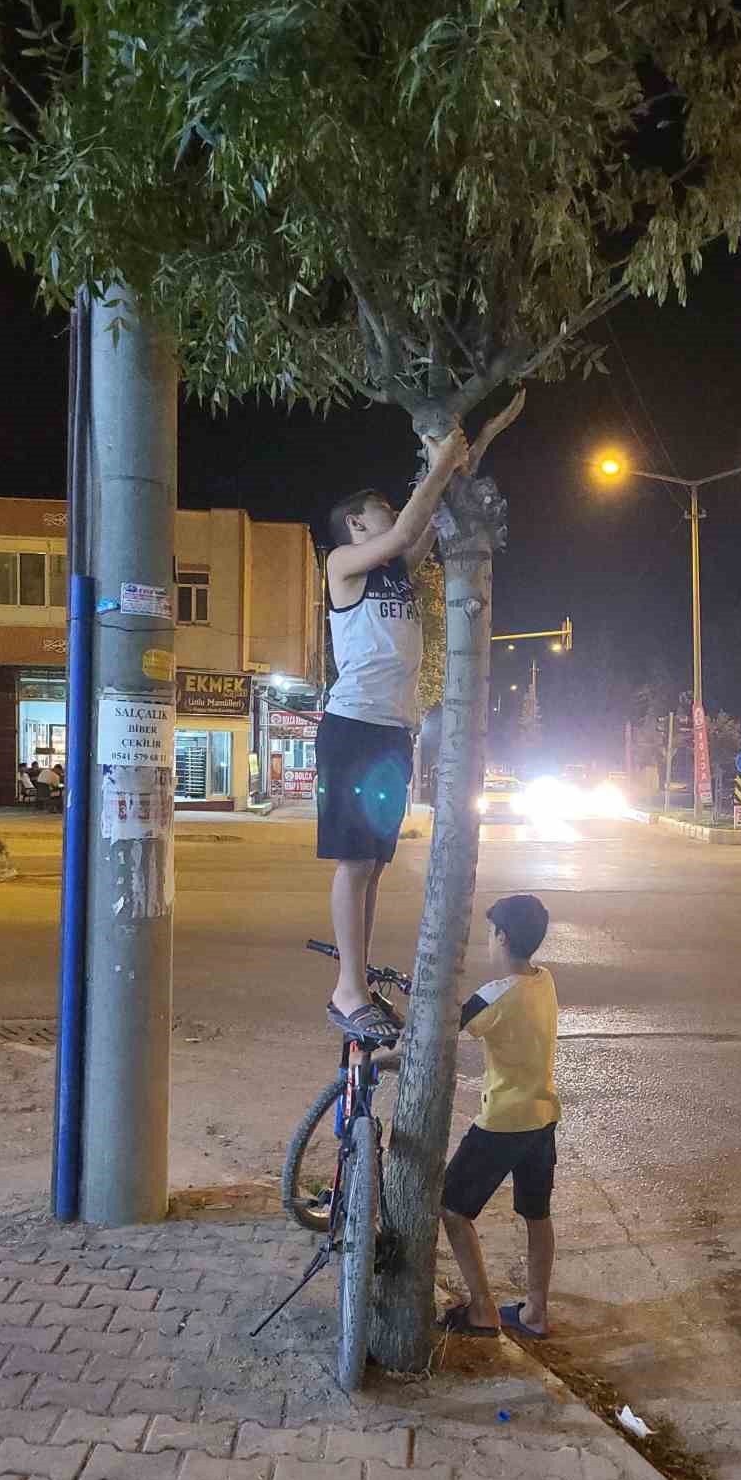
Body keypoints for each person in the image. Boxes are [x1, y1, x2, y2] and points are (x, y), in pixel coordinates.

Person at [317, 427, 468, 1043]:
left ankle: (358, 981)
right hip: (352, 725)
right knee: (355, 863)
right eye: (381, 507)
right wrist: (440, 461)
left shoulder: (396, 574)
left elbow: (420, 526)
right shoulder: (343, 565)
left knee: (375, 863)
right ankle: (347, 989)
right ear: (356, 523)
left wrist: (452, 473)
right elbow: (407, 530)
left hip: (393, 731)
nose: (393, 514)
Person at [438, 894, 560, 1339]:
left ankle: (483, 1309)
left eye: (490, 935)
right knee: (537, 1214)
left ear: (502, 938)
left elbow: (442, 1032)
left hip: (504, 1121)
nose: (487, 944)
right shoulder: (544, 980)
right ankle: (536, 1312)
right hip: (543, 1115)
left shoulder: (494, 996)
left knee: (451, 1207)